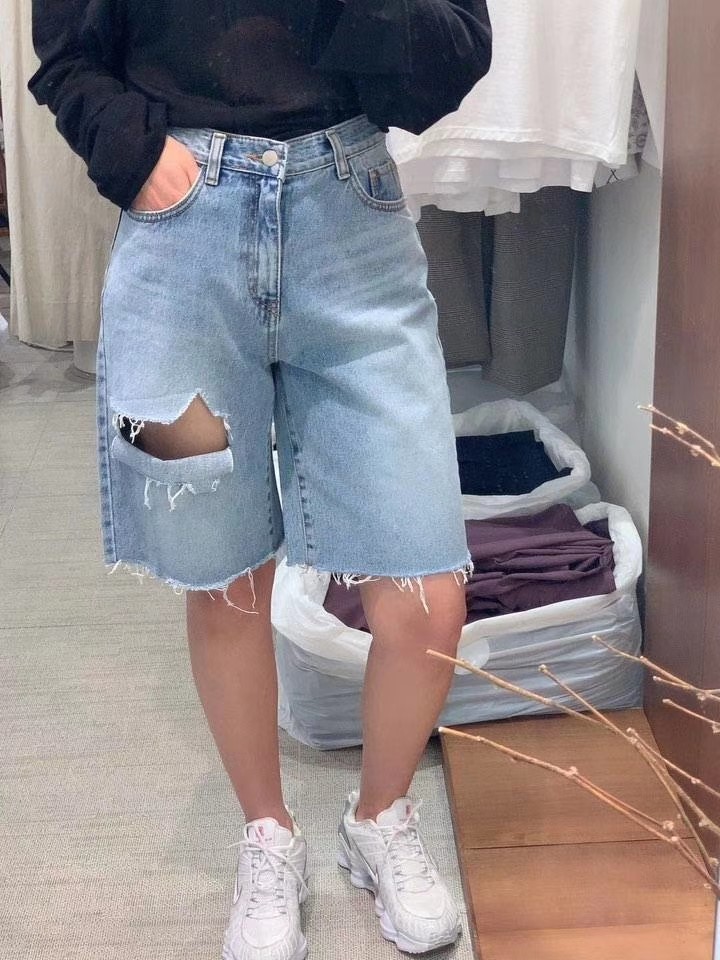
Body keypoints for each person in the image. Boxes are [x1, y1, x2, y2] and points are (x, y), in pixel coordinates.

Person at [28, 2, 492, 957]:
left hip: (354, 228)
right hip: (175, 255)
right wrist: (137, 159)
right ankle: (267, 834)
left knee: (427, 587)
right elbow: (66, 57)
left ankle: (379, 818)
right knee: (217, 568)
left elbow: (455, 55)